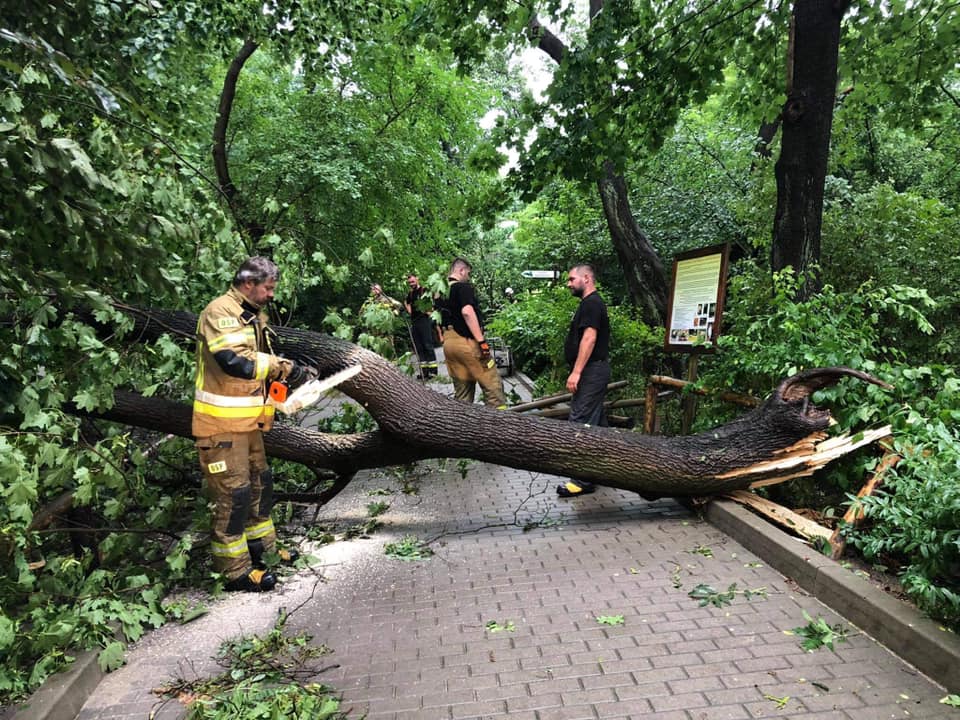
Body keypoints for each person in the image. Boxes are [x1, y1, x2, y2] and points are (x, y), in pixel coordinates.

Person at [192, 257, 309, 591]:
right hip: (220, 427)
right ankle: (234, 572)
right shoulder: (220, 312)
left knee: (260, 487)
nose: (271, 294)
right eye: (268, 288)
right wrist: (281, 367)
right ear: (248, 283)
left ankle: (265, 553)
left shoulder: (252, 315)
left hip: (249, 423)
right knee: (234, 496)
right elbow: (236, 361)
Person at [557, 263, 611, 498]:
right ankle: (611, 469)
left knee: (580, 421)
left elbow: (589, 338)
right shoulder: (589, 304)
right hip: (593, 370)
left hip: (590, 371)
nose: (569, 284)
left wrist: (577, 372)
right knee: (598, 422)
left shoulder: (591, 304)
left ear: (587, 278)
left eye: (571, 279)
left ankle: (582, 480)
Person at [441, 257, 507, 408]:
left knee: (463, 392)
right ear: (461, 270)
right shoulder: (462, 288)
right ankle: (499, 423)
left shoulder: (440, 292)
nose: (468, 277)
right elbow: (467, 312)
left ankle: (463, 427)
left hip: (449, 345)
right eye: (468, 273)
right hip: (466, 343)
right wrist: (481, 342)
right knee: (492, 384)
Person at [404, 274, 439, 378]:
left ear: (417, 279)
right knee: (419, 347)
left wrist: (431, 311)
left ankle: (433, 371)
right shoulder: (410, 294)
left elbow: (435, 296)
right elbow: (406, 302)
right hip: (415, 322)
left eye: (413, 281)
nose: (411, 284)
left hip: (424, 320)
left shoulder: (424, 290)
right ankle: (424, 372)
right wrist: (409, 310)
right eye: (409, 282)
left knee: (427, 345)